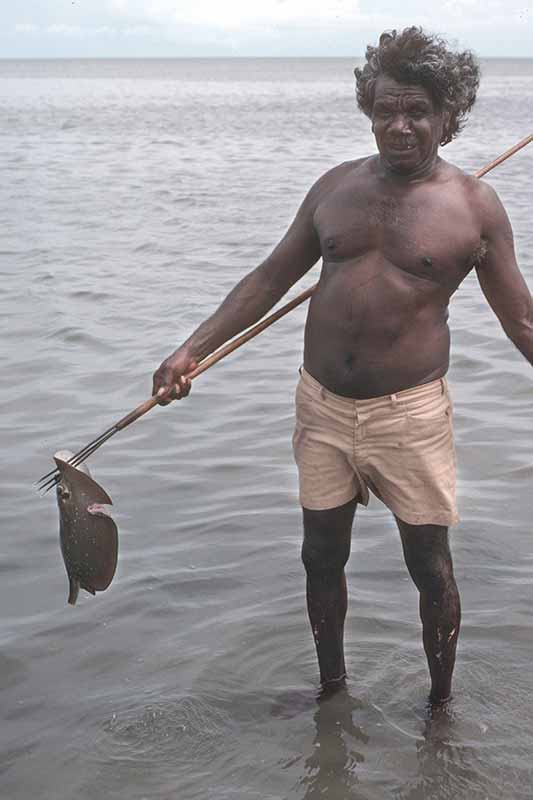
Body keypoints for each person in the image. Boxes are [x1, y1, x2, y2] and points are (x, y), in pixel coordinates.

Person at [152, 27, 533, 706]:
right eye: (385, 109)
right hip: (321, 407)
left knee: (428, 565)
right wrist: (192, 349)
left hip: (409, 415)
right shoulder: (334, 188)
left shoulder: (474, 208)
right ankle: (332, 693)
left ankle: (438, 708)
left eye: (416, 111)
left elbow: (521, 320)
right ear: (368, 108)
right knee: (319, 556)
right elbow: (268, 278)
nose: (399, 126)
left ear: (448, 115)